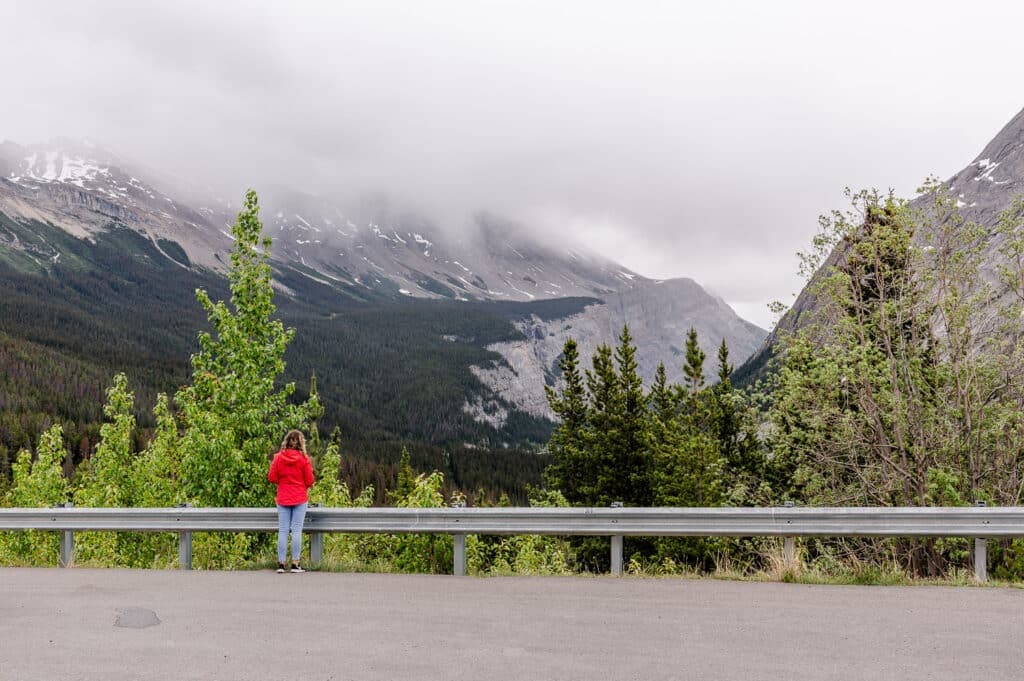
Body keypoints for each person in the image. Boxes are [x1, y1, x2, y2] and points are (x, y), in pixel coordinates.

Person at [268, 430, 315, 573]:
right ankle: (295, 564)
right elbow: (310, 480)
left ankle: (281, 564)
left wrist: (283, 482)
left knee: (283, 530)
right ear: (301, 443)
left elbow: (272, 477)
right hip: (300, 498)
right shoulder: (304, 459)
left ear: (286, 441)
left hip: (283, 497)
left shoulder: (278, 458)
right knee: (296, 531)